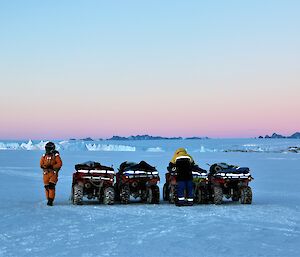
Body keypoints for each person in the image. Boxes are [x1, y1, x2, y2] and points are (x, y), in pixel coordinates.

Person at [40, 142, 62, 206]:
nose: (47, 150)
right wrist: (44, 166)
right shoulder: (44, 156)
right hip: (46, 174)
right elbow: (41, 164)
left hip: (53, 174)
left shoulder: (56, 156)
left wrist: (52, 167)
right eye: (46, 148)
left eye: (48, 148)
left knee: (51, 186)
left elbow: (59, 163)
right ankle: (48, 199)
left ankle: (50, 200)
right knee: (47, 187)